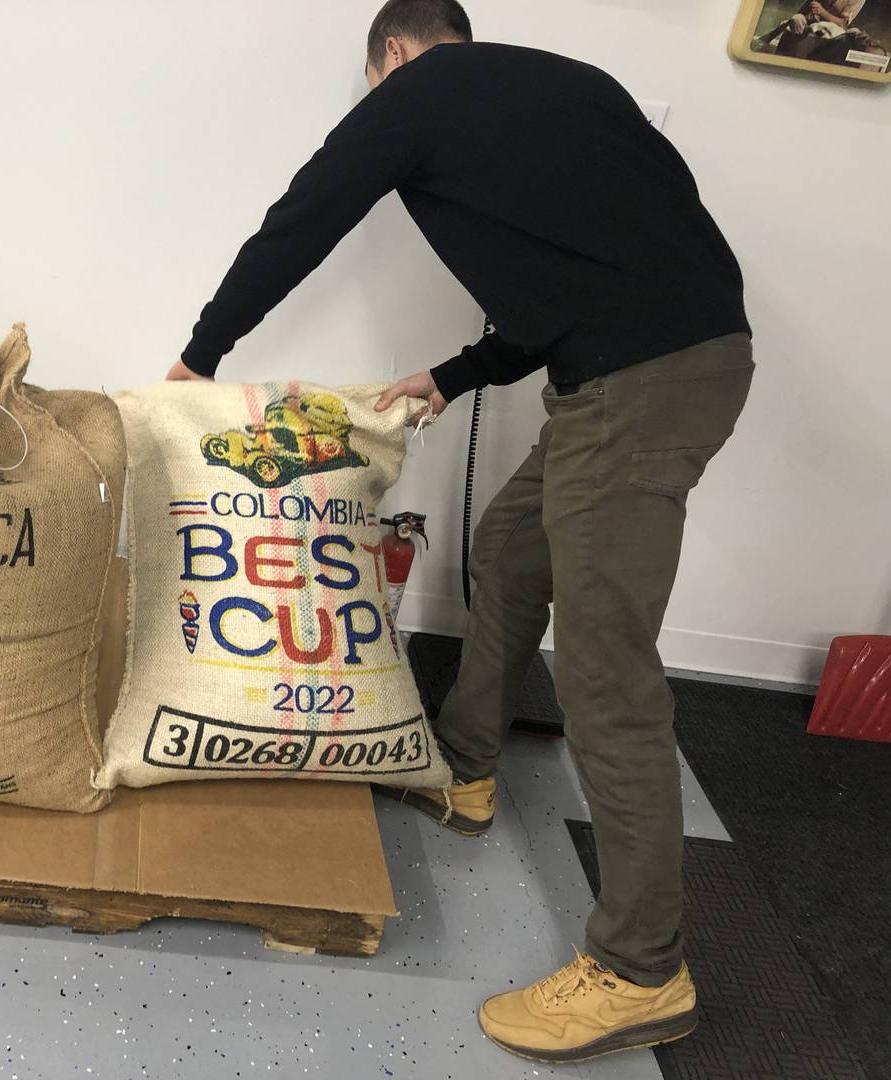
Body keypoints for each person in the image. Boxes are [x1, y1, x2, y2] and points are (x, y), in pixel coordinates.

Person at [165, 0, 754, 1065]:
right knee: (510, 546)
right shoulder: (569, 88)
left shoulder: (423, 92)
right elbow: (585, 270)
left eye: (377, 77)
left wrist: (200, 357)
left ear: (393, 53)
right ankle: (469, 767)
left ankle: (640, 970)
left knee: (607, 670)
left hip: (639, 390)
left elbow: (303, 218)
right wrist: (454, 374)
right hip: (652, 367)